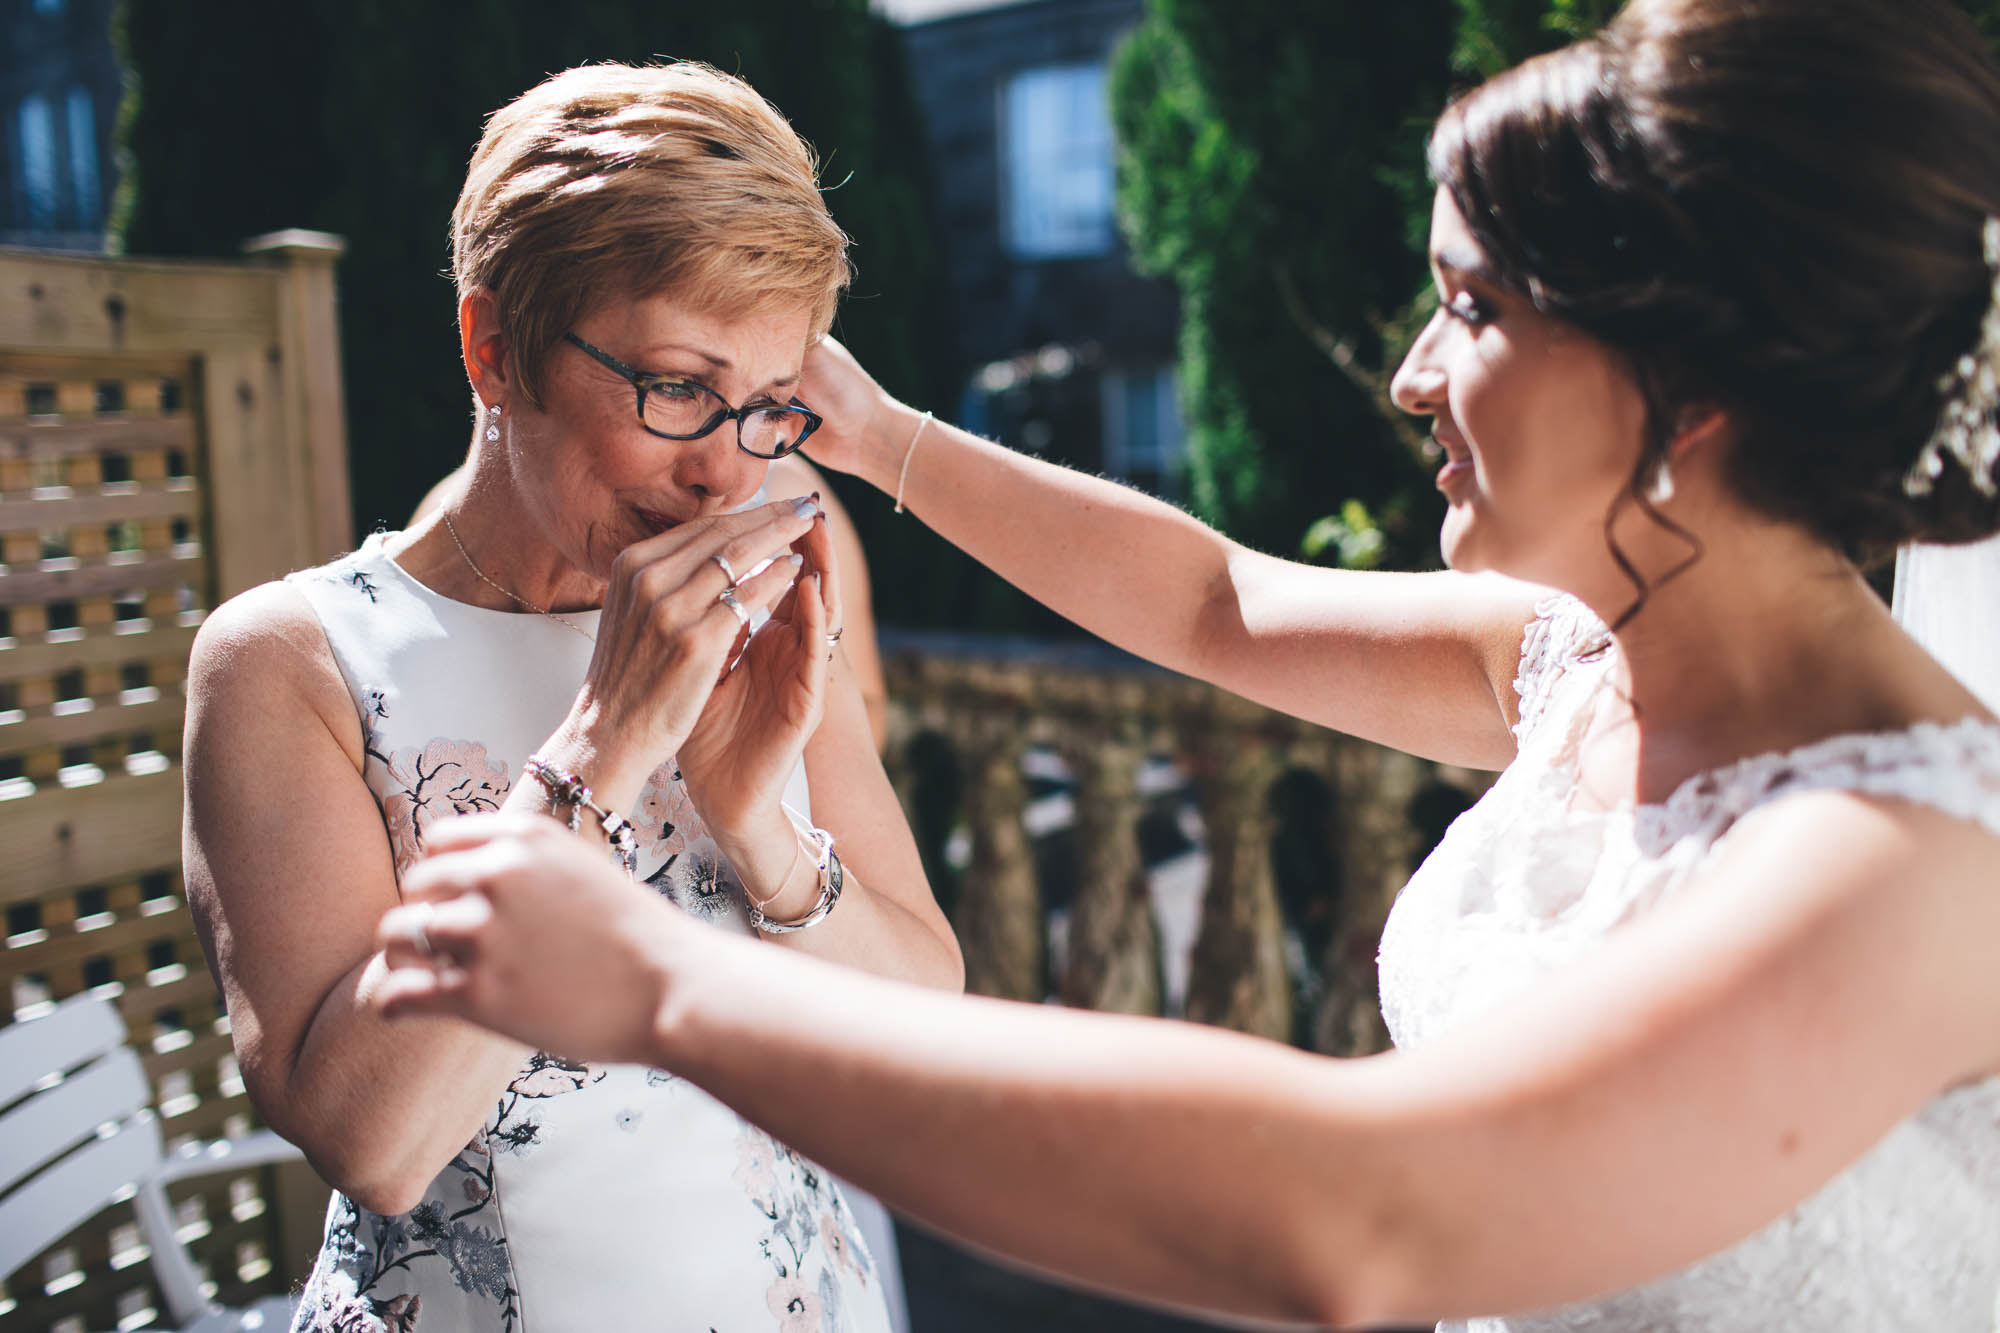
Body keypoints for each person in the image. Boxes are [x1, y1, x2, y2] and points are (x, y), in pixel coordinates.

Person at [373, 2, 2000, 1328]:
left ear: (1687, 383)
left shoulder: (1898, 864)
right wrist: (878, 436)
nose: (1414, 376)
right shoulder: (1584, 662)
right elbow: (1215, 601)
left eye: (1472, 305)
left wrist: (663, 987)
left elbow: (1359, 1217)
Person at [181, 62, 961, 1333]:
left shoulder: (759, 605)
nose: (723, 472)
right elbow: (376, 1144)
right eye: (678, 389)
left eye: (766, 408)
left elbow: (928, 1033)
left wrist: (760, 829)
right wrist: (598, 754)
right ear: (494, 347)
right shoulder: (290, 663)